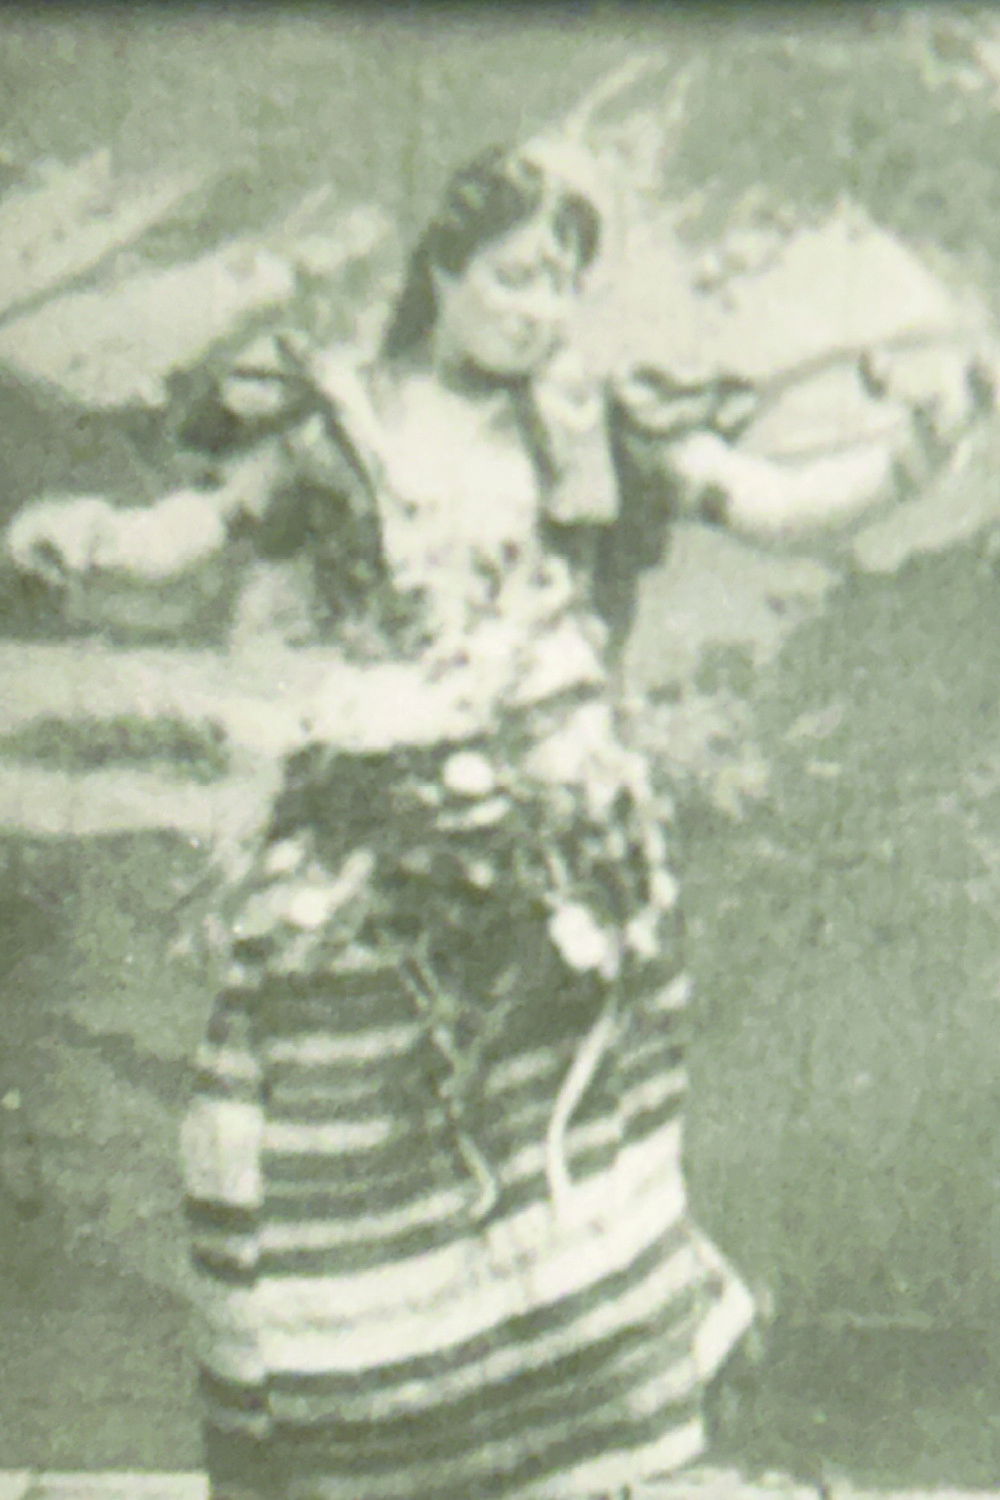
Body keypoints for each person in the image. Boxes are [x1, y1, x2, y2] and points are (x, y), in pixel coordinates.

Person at [178, 146, 944, 1500]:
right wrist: (93, 542)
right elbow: (200, 526)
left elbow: (773, 506)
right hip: (373, 866)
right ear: (443, 272)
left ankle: (581, 1464)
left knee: (564, 1179)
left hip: (556, 879)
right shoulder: (337, 422)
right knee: (312, 1142)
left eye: (561, 284)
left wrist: (914, 453)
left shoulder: (583, 426)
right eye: (515, 276)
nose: (539, 309)